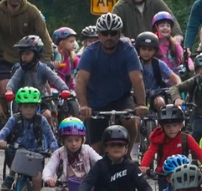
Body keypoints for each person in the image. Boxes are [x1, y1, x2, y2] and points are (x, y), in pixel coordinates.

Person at [75, 14, 149, 151]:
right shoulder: (90, 52)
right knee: (96, 150)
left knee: (130, 120)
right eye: (105, 33)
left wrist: (140, 104)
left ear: (119, 33)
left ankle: (129, 155)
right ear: (98, 34)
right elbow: (80, 80)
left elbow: (137, 79)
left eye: (113, 33)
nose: (109, 37)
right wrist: (84, 105)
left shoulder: (128, 50)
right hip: (95, 103)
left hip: (121, 98)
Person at [0, 0, 53, 120]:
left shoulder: (32, 12)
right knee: (4, 90)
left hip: (30, 60)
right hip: (5, 61)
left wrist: (47, 59)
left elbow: (44, 37)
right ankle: (8, 116)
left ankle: (50, 113)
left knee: (43, 86)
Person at [0, 86, 58, 191]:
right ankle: (10, 177)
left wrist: (55, 150)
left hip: (36, 154)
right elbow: (5, 130)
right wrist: (1, 140)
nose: (29, 110)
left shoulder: (41, 120)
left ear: (37, 107)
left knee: (37, 180)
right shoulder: (15, 119)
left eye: (32, 107)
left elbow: (50, 136)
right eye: (26, 107)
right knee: (18, 153)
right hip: (16, 152)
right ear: (20, 107)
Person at [139, 105, 202, 189]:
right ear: (162, 127)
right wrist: (143, 166)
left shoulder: (186, 138)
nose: (171, 129)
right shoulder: (159, 138)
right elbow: (150, 152)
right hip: (164, 174)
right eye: (168, 126)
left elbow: (198, 151)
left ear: (180, 125)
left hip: (183, 173)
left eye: (174, 125)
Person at [5, 35, 72, 122]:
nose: (24, 57)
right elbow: (13, 81)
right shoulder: (21, 70)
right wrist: (9, 90)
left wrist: (64, 88)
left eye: (27, 54)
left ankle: (50, 133)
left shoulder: (43, 68)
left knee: (47, 115)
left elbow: (55, 78)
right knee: (17, 120)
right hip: (24, 101)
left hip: (41, 100)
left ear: (36, 54)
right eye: (22, 54)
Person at [136, 32, 180, 110]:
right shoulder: (134, 63)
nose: (146, 52)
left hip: (156, 93)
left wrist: (179, 89)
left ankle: (160, 121)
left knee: (160, 102)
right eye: (143, 49)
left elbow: (175, 78)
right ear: (138, 49)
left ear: (154, 51)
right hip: (137, 93)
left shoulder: (158, 63)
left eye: (150, 49)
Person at [112, 0, 183, 41]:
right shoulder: (120, 7)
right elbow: (113, 28)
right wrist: (122, 38)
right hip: (132, 51)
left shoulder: (156, 2)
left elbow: (170, 17)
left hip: (157, 49)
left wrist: (177, 34)